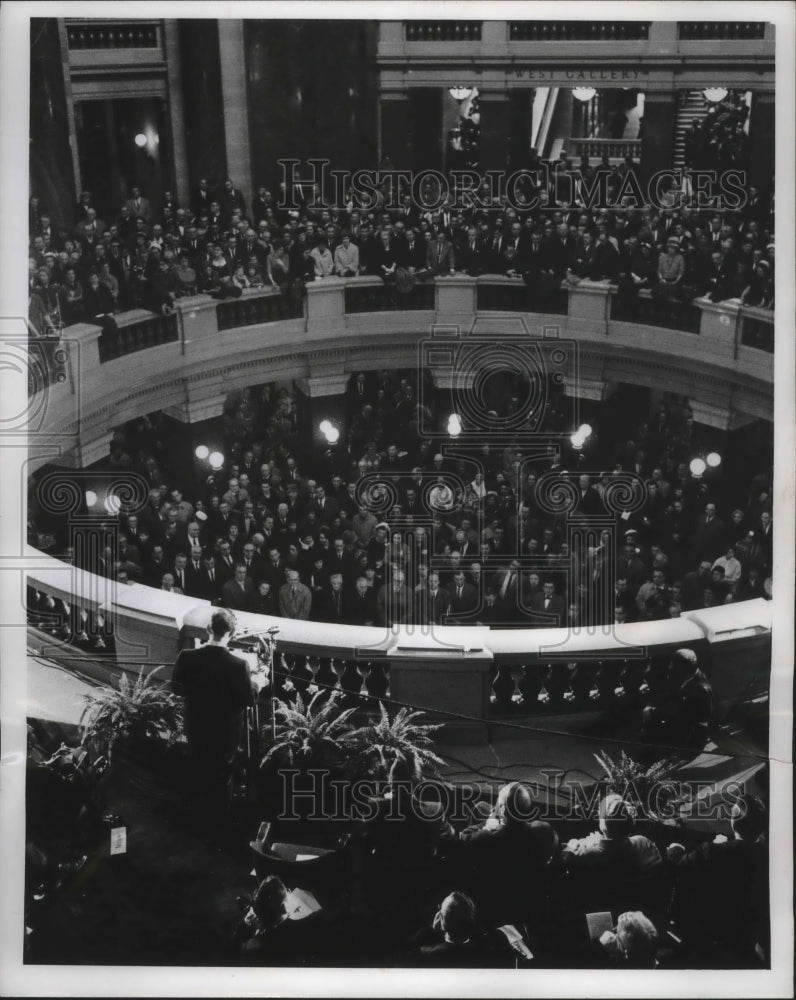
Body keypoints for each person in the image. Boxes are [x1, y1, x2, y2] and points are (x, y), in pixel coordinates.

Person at [172, 608, 259, 823]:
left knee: (199, 765)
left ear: (209, 628)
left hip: (196, 725)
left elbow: (176, 688)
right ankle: (218, 821)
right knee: (221, 774)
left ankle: (196, 818)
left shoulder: (186, 656)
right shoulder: (239, 665)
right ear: (232, 632)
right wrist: (257, 684)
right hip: (225, 732)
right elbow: (248, 701)